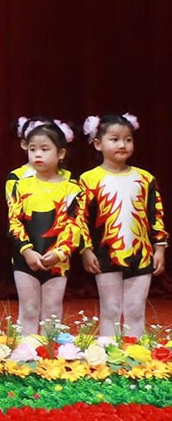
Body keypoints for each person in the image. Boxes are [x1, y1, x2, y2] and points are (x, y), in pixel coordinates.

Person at [79, 113, 166, 339]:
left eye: (128, 139)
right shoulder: (89, 180)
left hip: (141, 254)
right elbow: (81, 219)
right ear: (97, 144)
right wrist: (86, 250)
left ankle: (135, 354)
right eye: (115, 139)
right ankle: (109, 354)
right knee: (111, 309)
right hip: (105, 253)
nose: (122, 145)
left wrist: (159, 248)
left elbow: (155, 214)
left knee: (135, 309)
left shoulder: (145, 179)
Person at [7, 118, 83, 336]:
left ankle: (50, 352)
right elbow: (14, 221)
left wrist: (60, 253)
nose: (37, 155)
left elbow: (75, 226)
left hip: (58, 260)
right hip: (24, 258)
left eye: (44, 149)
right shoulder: (21, 186)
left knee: (52, 311)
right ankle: (26, 351)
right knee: (28, 309)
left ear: (61, 153)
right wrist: (27, 251)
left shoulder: (72, 189)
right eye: (32, 149)